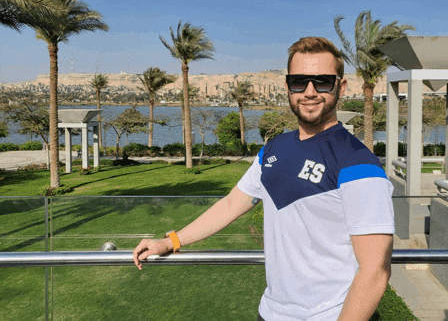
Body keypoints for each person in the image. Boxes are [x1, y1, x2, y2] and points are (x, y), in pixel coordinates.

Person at [133, 36, 395, 321]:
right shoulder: (274, 149)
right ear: (287, 87)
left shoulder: (358, 162)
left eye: (322, 81)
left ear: (341, 86)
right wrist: (170, 241)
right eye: (299, 81)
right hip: (270, 313)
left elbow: (374, 271)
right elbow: (233, 203)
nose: (310, 91)